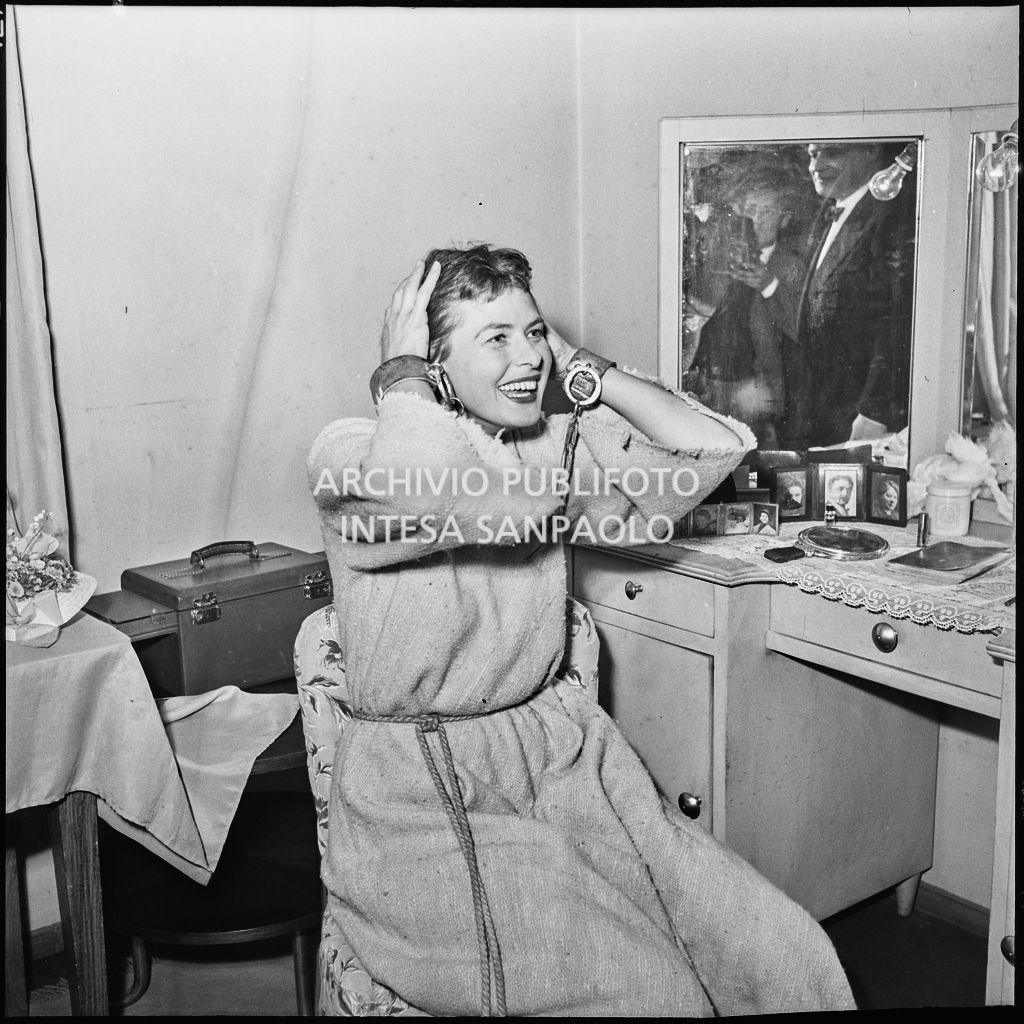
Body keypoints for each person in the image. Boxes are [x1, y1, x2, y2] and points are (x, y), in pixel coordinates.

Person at [307, 244, 855, 1016]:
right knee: (647, 991)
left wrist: (577, 366)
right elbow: (424, 499)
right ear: (431, 364)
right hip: (425, 795)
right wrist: (399, 375)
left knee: (779, 948)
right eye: (495, 338)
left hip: (565, 758)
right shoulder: (346, 453)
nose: (527, 355)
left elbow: (705, 453)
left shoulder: (541, 450)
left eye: (533, 332)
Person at [776, 141, 916, 451]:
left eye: (831, 152)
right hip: (822, 408)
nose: (816, 165)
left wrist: (874, 413)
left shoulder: (890, 215)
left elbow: (898, 323)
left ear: (870, 152)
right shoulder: (829, 212)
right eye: (812, 154)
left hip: (858, 415)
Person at [686, 173, 806, 446]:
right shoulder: (718, 258)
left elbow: (802, 329)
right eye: (751, 210)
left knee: (755, 467)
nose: (758, 219)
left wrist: (768, 284)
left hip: (758, 390)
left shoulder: (793, 267)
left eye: (767, 211)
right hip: (712, 387)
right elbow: (694, 310)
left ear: (784, 219)